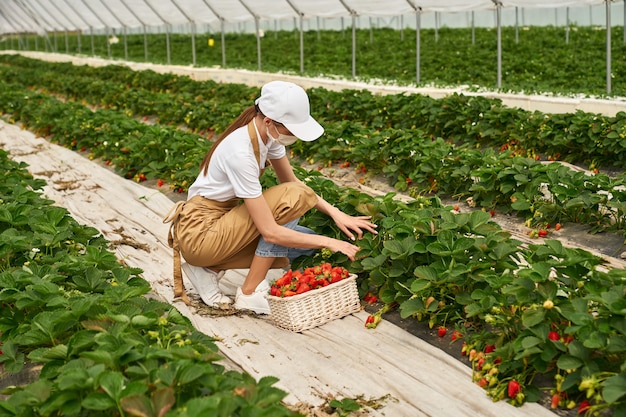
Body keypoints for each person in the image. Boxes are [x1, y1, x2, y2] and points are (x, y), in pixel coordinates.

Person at [163, 80, 377, 314]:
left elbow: (292, 181)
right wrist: (331, 242)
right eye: (291, 129)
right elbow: (272, 230)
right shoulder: (240, 151)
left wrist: (338, 214)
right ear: (269, 121)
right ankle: (249, 292)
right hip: (201, 233)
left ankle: (208, 270)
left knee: (303, 244)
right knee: (292, 205)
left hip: (221, 225)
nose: (294, 135)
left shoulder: (267, 137)